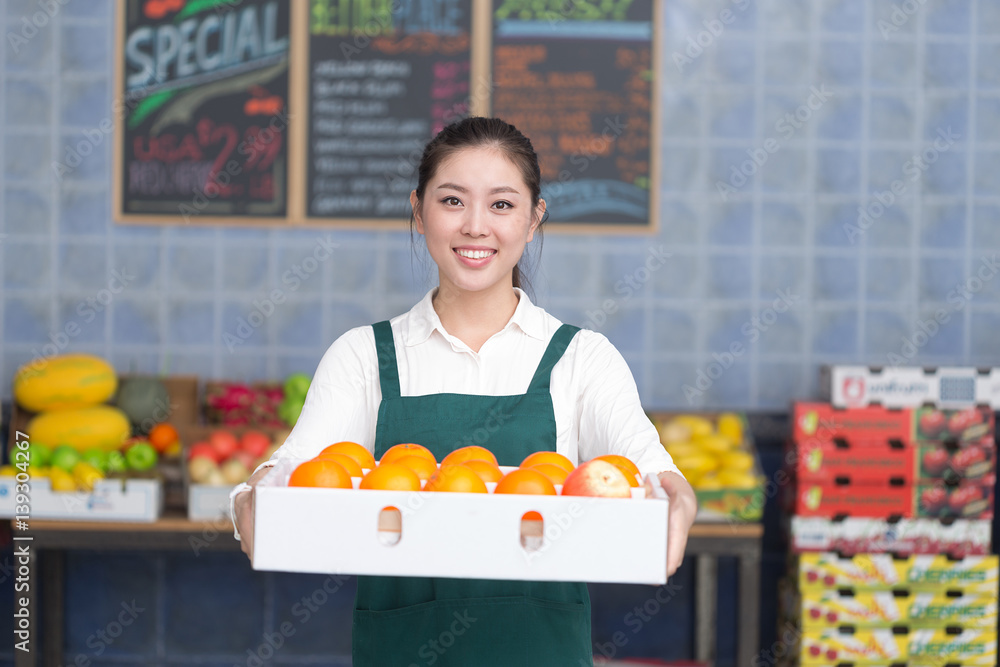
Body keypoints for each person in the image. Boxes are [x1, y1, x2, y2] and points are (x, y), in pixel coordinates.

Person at [231, 116, 697, 666]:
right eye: (453, 201)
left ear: (533, 219)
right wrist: (252, 502)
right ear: (419, 210)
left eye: (501, 205)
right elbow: (290, 472)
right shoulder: (364, 358)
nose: (476, 226)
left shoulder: (581, 359)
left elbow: (647, 468)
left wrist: (677, 498)